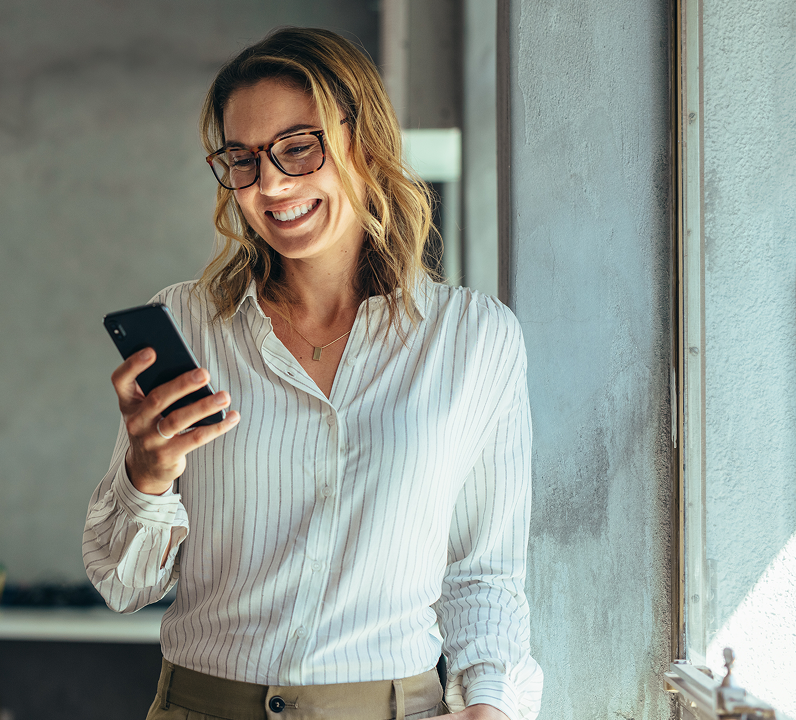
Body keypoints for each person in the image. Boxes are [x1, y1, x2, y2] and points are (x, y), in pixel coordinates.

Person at [83, 27, 542, 720]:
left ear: (366, 142)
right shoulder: (185, 324)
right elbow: (125, 583)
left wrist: (490, 707)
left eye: (299, 147)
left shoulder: (475, 340)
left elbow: (483, 573)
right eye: (243, 159)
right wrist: (146, 474)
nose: (270, 183)